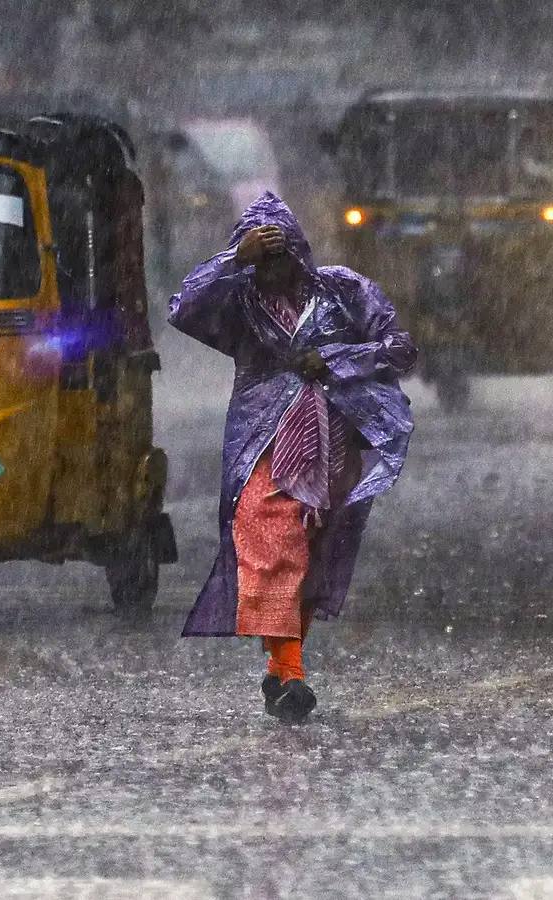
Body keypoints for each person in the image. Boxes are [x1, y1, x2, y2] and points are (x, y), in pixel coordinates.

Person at [169, 192, 416, 724]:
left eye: (278, 257)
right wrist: (235, 260)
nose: (271, 272)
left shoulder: (344, 291)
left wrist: (334, 359)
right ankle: (294, 672)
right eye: (260, 260)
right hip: (262, 444)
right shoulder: (237, 302)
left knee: (309, 558)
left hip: (332, 444)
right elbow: (183, 308)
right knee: (273, 539)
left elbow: (399, 347)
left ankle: (281, 669)